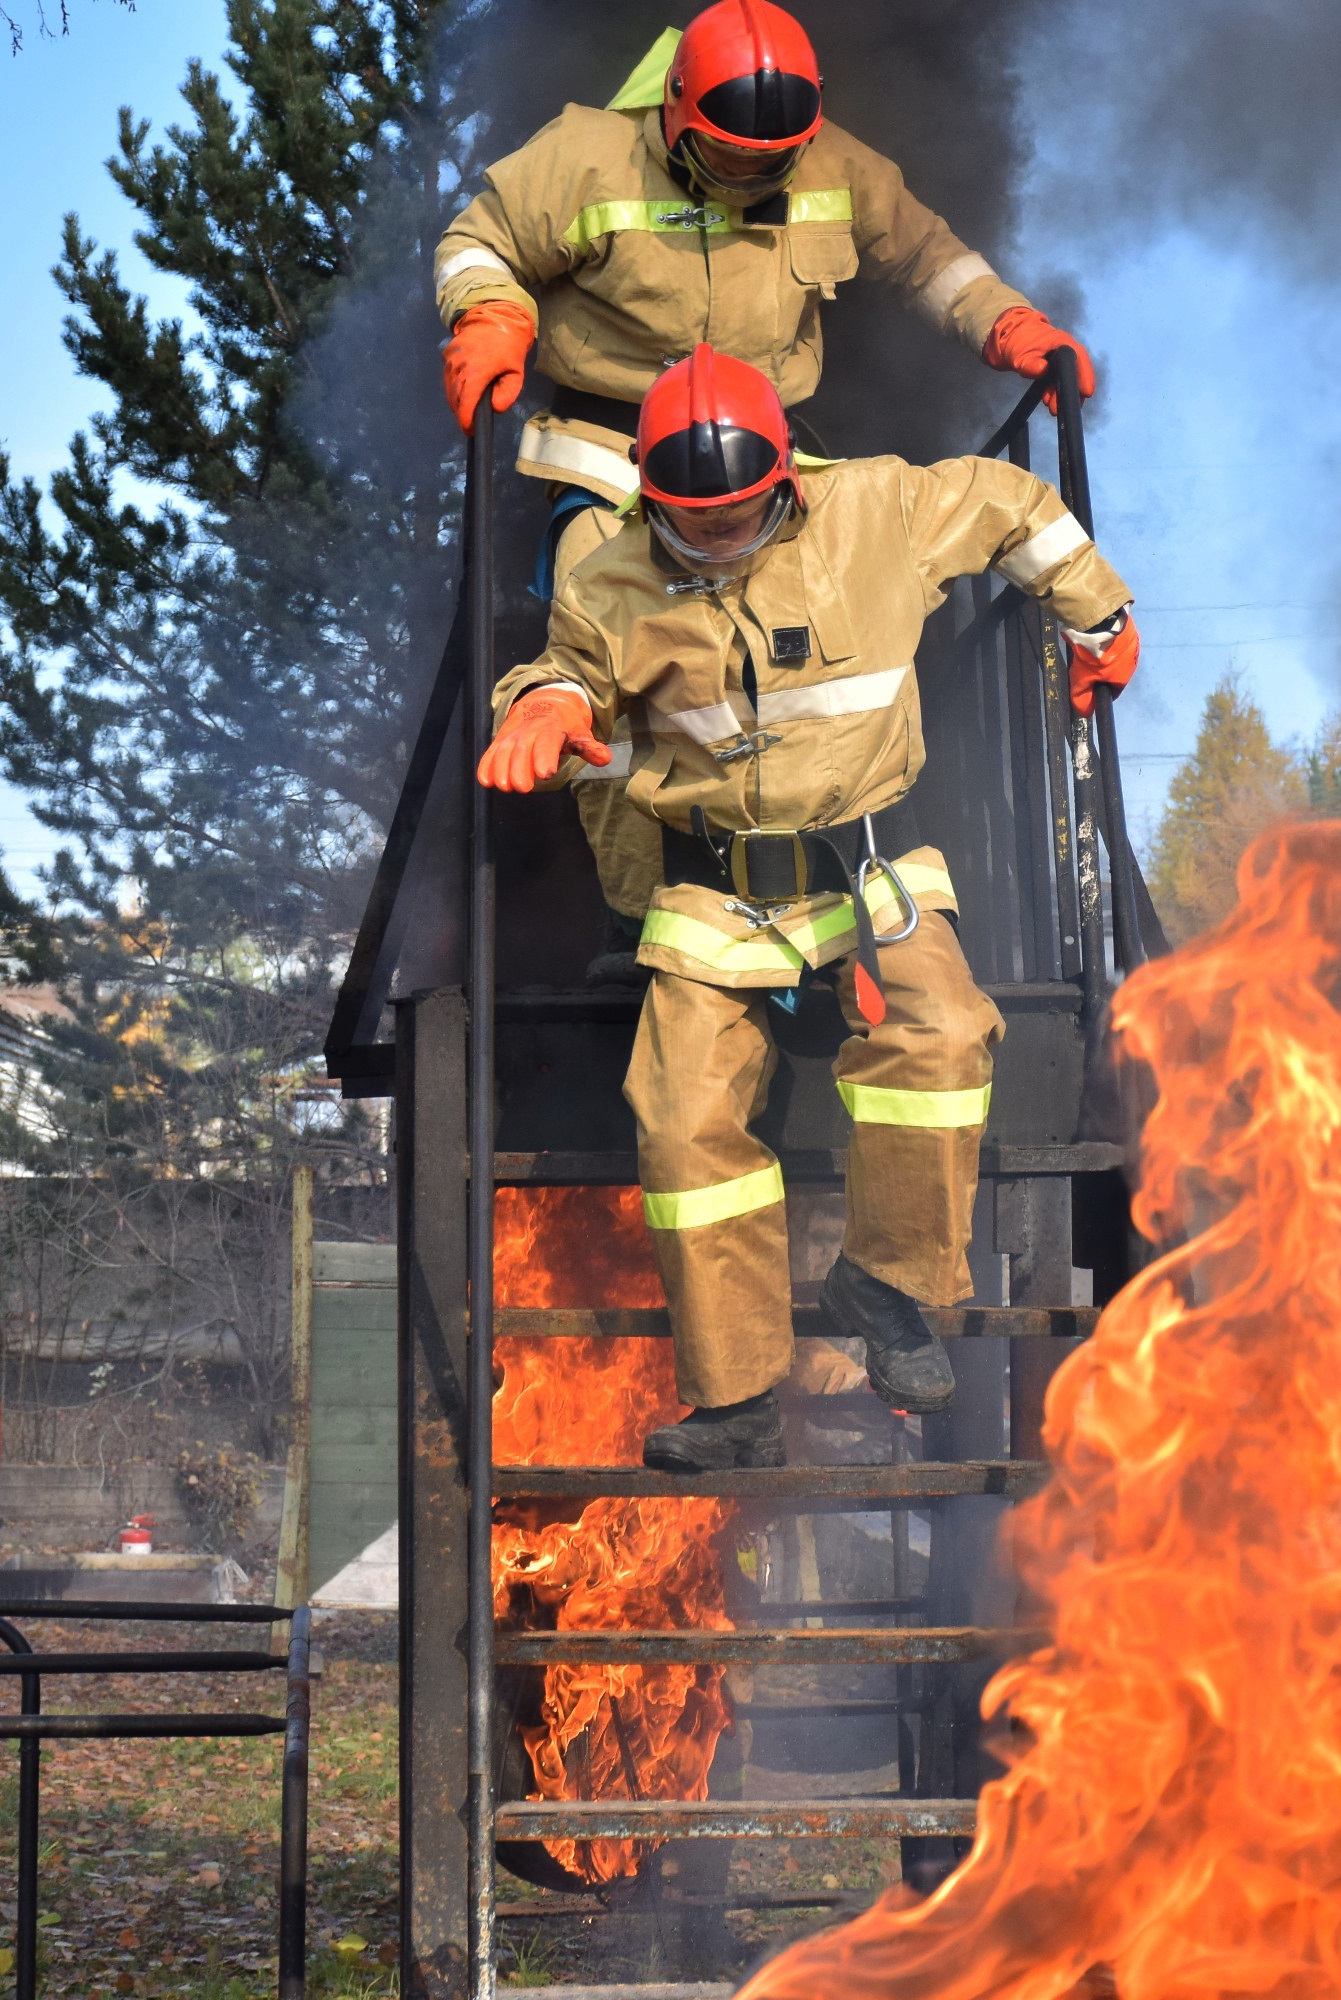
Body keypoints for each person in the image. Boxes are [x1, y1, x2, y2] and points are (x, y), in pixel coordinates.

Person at [476, 345, 1140, 1472]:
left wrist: (1101, 617)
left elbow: (1015, 504)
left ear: (783, 478)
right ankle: (735, 1397)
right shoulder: (608, 577)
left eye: (741, 513)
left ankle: (890, 1287)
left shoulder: (877, 507)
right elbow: (567, 667)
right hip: (709, 892)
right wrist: (539, 705)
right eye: (695, 521)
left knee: (942, 1037)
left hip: (868, 872)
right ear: (652, 499)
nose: (721, 535)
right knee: (682, 1111)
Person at [436, 0, 1100, 964]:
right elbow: (479, 239)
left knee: (834, 640)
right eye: (726, 160)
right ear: (673, 113)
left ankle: (829, 905)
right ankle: (642, 921)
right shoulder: (583, 155)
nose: (750, 179)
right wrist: (489, 310)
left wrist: (1007, 324)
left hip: (767, 459)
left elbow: (927, 256)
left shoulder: (835, 162)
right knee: (606, 668)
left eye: (772, 163)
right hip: (611, 459)